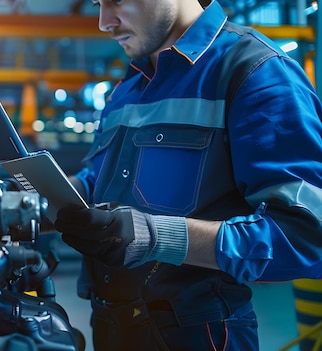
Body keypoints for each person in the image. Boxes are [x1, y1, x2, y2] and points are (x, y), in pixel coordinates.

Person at [54, 0, 322, 350]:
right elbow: (100, 181)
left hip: (198, 333)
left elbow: (307, 235)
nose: (105, 21)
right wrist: (40, 194)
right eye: (97, 4)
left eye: (116, 0)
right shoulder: (128, 86)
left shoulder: (255, 72)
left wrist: (157, 237)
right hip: (110, 327)